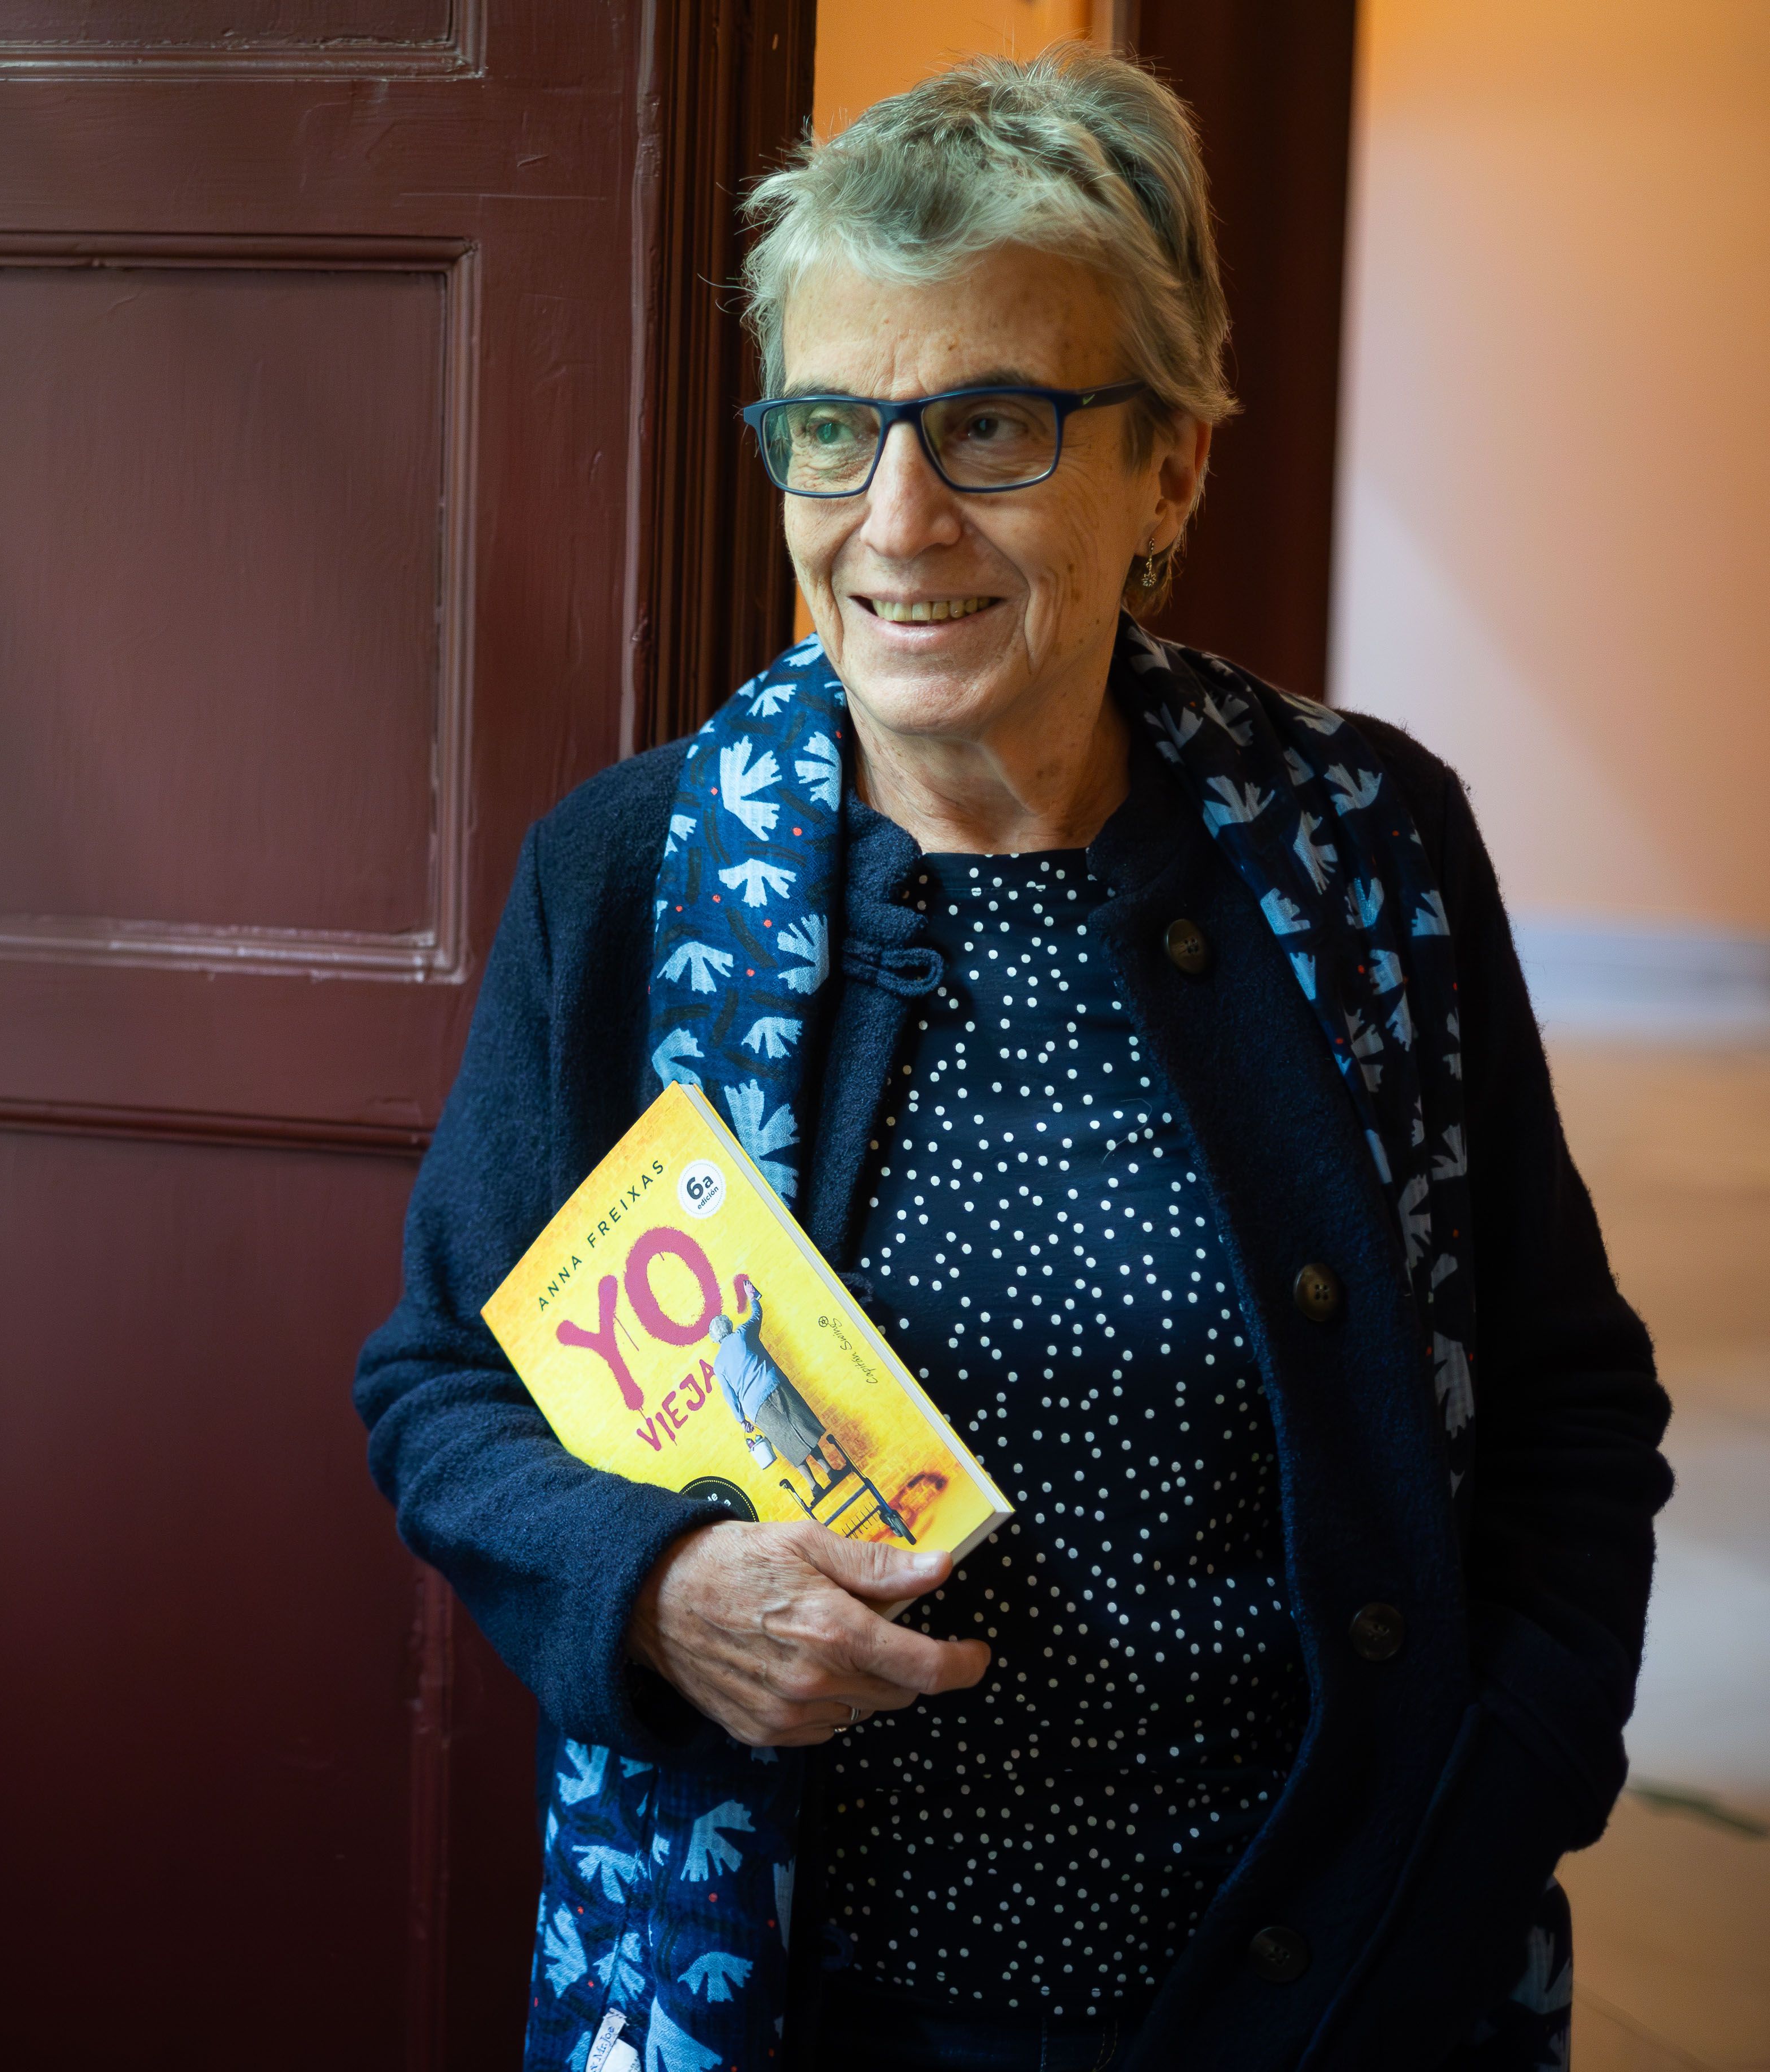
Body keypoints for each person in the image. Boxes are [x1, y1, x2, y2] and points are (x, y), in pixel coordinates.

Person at [353, 45, 1668, 2071]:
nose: (895, 521)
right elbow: (443, 1379)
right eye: (832, 424)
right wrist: (656, 1584)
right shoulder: (628, 879)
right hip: (795, 2002)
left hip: (1330, 1984)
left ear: (1173, 465)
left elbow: (1568, 1403)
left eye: (988, 425)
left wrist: (1492, 1818)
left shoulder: (1371, 852)